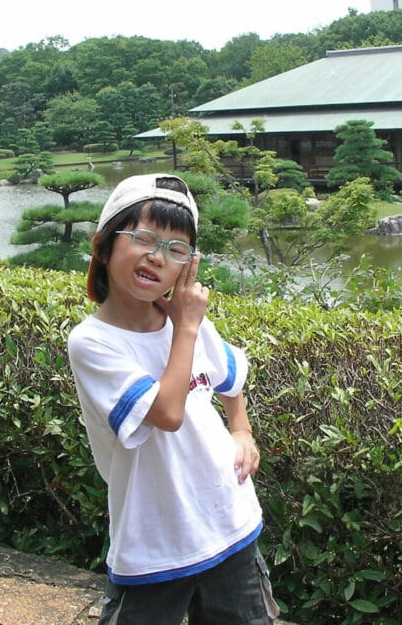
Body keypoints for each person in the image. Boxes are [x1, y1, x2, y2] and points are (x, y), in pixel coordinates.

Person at [67, 173, 279, 625]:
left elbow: (229, 376)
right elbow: (166, 413)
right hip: (153, 545)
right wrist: (185, 326)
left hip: (230, 523)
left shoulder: (189, 323)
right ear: (103, 246)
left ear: (189, 263)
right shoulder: (94, 342)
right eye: (143, 238)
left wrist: (240, 428)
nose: (157, 257)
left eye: (176, 249)